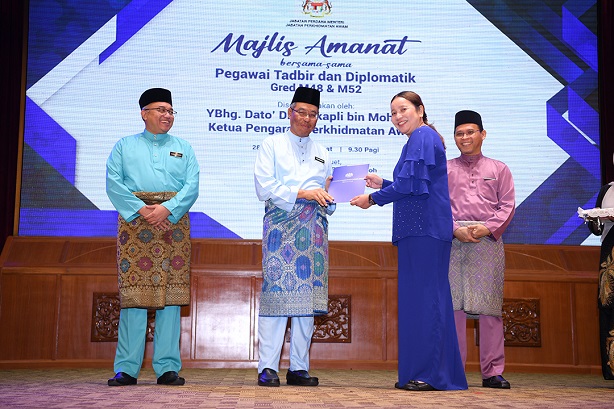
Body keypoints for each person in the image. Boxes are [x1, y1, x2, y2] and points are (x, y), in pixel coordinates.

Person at [350, 91, 467, 391]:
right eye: (393, 113)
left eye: (403, 109)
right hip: (419, 232)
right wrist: (383, 184)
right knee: (422, 302)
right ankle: (425, 372)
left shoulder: (423, 136)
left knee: (428, 302)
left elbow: (410, 186)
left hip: (425, 231)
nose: (397, 116)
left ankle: (432, 375)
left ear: (420, 110)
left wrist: (373, 198)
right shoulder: (418, 139)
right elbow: (415, 187)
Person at [105, 88, 199, 386]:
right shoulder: (124, 146)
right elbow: (113, 183)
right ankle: (127, 368)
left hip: (173, 223)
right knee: (134, 296)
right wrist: (142, 210)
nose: (167, 115)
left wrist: (167, 209)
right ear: (144, 113)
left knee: (171, 296)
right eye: (161, 110)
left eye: (170, 111)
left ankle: (167, 367)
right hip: (135, 224)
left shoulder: (184, 147)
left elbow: (192, 186)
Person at [254, 87, 335, 387]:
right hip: (281, 226)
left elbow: (328, 198)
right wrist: (304, 193)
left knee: (307, 300)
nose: (307, 118)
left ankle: (299, 368)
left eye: (313, 114)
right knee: (277, 294)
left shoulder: (323, 151)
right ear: (289, 112)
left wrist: (331, 194)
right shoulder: (271, 144)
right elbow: (264, 186)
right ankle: (268, 367)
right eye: (301, 112)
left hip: (314, 230)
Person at [447, 110, 515, 389]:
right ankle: (454, 370)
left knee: (489, 309)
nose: (465, 137)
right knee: (454, 308)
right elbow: (437, 206)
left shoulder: (499, 169)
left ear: (483, 134)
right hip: (452, 242)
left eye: (470, 132)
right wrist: (454, 228)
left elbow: (507, 205)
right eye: (459, 133)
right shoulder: (444, 169)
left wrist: (488, 228)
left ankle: (492, 372)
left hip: (487, 241)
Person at [587, 170, 614, 381]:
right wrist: (593, 219)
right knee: (609, 307)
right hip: (609, 254)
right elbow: (596, 230)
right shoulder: (607, 190)